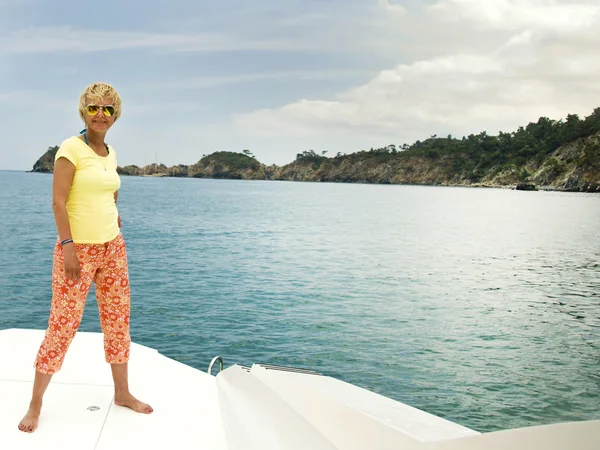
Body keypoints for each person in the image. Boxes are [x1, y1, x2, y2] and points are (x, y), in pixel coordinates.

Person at [18, 82, 153, 433]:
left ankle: (122, 393)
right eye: (94, 107)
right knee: (62, 326)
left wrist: (113, 215)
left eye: (108, 109)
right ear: (84, 111)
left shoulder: (110, 152)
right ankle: (35, 405)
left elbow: (111, 191)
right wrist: (68, 246)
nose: (100, 114)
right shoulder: (70, 148)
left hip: (113, 248)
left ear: (115, 115)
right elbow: (58, 202)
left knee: (118, 322)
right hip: (78, 250)